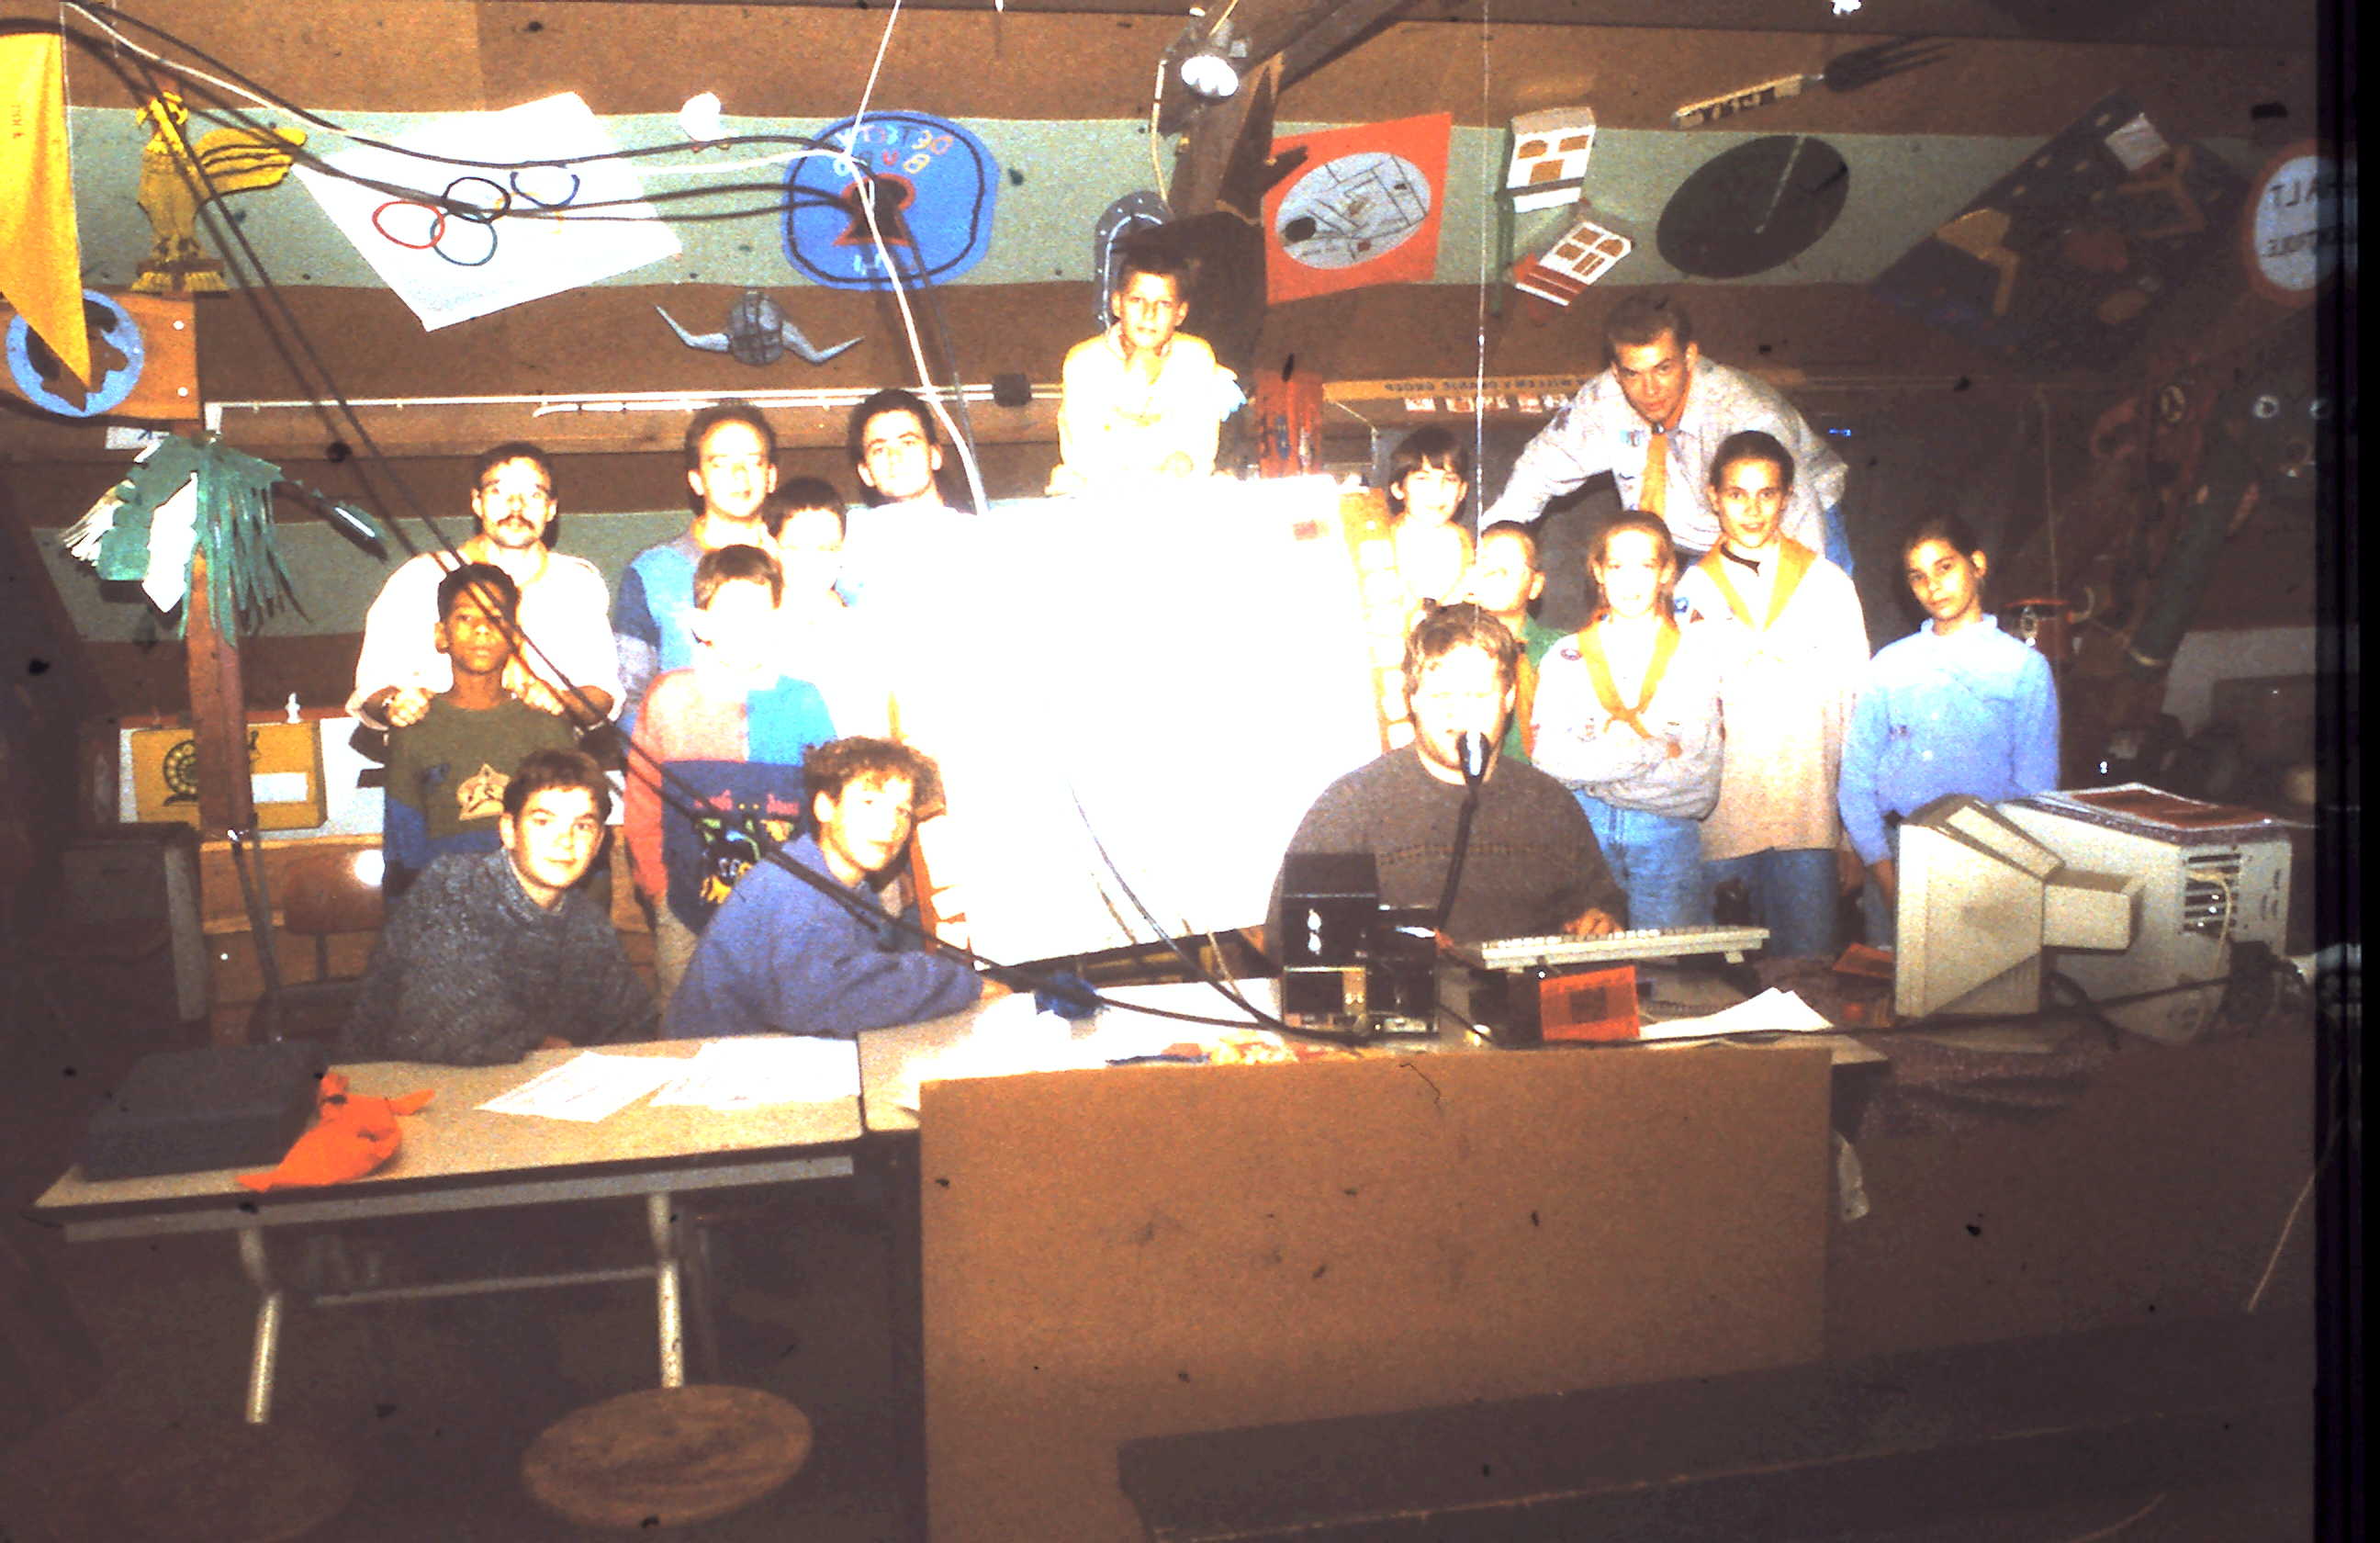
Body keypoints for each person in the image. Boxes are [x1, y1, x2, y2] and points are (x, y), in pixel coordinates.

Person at [1274, 603, 1623, 946]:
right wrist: (1395, 943)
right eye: (1442, 695)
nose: (1460, 713)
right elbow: (1292, 937)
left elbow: (1604, 904)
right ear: (1413, 700)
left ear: (1508, 698)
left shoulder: (1548, 803)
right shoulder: (1353, 805)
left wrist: (1601, 920)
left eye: (1477, 695)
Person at [1481, 294, 1853, 572]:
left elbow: (1801, 527)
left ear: (1689, 357)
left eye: (1663, 369)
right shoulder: (1602, 402)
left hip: (1792, 516)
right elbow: (1537, 472)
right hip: (1690, 537)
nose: (1650, 390)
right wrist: (1488, 549)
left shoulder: (1747, 415)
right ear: (1616, 371)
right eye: (1633, 373)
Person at [666, 737, 1006, 1039]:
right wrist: (965, 986)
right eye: (870, 803)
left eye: (902, 811)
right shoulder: (795, 891)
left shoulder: (837, 879)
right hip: (713, 1061)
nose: (890, 824)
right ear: (825, 807)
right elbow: (825, 998)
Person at [1677, 432, 1869, 960]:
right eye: (1737, 494)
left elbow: (1856, 712)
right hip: (1720, 823)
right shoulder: (1688, 591)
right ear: (1714, 496)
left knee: (1808, 972)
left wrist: (1852, 835)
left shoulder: (1828, 584)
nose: (1753, 509)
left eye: (1767, 494)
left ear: (1786, 497)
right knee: (1722, 981)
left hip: (1807, 818)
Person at [340, 748, 655, 1064]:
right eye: (543, 821)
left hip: (528, 1080)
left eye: (583, 826)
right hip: (392, 1080)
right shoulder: (452, 888)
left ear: (599, 842)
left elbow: (634, 1024)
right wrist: (550, 1045)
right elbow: (450, 1030)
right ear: (509, 831)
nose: (565, 841)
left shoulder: (589, 923)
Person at [627, 545, 839, 1006]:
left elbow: (828, 808)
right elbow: (642, 806)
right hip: (686, 908)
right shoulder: (669, 698)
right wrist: (659, 890)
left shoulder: (804, 700)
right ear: (701, 624)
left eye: (759, 614)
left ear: (778, 621)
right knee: (688, 1022)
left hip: (786, 911)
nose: (746, 628)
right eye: (731, 613)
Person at [1839, 513, 2060, 945]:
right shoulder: (1891, 664)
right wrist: (1885, 876)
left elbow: (2036, 788)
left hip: (1988, 856)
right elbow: (1857, 778)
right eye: (1918, 576)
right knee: (1893, 978)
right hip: (1896, 854)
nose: (1933, 586)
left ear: (1977, 564)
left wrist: (2007, 872)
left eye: (1945, 567)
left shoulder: (2022, 667)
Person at [1532, 513, 1724, 929]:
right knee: (1592, 959)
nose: (1630, 581)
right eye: (1617, 566)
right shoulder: (1566, 657)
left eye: (1646, 566)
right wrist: (1653, 751)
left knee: (1665, 962)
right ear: (1598, 571)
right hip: (1586, 836)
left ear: (1666, 572)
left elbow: (1699, 786)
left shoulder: (1694, 659)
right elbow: (1549, 760)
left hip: (1665, 839)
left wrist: (1597, 779)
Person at [349, 442, 617, 732]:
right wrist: (395, 704)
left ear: (551, 509)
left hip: (548, 750)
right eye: (498, 492)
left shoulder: (577, 583)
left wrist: (564, 702)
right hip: (440, 745)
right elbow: (371, 688)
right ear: (477, 502)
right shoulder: (420, 577)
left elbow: (602, 693)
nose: (516, 507)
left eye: (534, 494)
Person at [380, 564, 578, 898]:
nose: (483, 629)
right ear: (441, 635)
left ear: (515, 635)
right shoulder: (414, 729)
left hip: (535, 909)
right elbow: (402, 851)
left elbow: (573, 837)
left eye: (496, 618)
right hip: (447, 908)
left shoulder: (547, 725)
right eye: (465, 618)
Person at [612, 403, 780, 729]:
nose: (739, 475)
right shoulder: (653, 571)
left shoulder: (801, 562)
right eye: (721, 463)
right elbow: (629, 698)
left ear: (771, 477)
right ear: (697, 480)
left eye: (753, 461)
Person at [1048, 245, 1241, 494]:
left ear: (1180, 313)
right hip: (1102, 494)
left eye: (1164, 304)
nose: (1149, 315)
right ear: (1117, 304)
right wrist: (1135, 378)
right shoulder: (1084, 362)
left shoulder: (1195, 356)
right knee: (1066, 480)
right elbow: (1086, 456)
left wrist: (1174, 470)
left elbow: (1196, 450)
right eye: (1137, 301)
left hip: (1176, 491)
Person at [760, 479, 895, 738]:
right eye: (798, 548)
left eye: (827, 548)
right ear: (771, 546)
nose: (813, 562)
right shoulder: (754, 632)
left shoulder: (867, 631)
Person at [838, 388, 974, 612]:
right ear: (865, 472)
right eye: (879, 449)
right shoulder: (843, 537)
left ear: (935, 456)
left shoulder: (978, 535)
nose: (895, 458)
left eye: (908, 443)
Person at [1461, 520, 1566, 767]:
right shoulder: (1452, 651)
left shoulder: (1561, 651)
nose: (1495, 575)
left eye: (1508, 569)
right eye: (1485, 566)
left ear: (1535, 585)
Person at [1383, 427, 1475, 614]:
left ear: (1462, 491)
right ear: (1398, 489)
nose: (1437, 491)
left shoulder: (1473, 549)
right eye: (1423, 479)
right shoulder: (1379, 542)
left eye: (1449, 480)